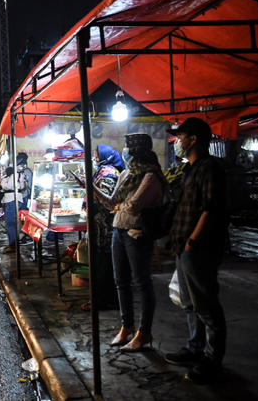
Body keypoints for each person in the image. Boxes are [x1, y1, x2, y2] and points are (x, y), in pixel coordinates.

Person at [163, 117, 228, 383]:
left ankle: (213, 359)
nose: (177, 142)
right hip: (183, 245)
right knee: (190, 303)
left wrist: (193, 241)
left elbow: (211, 208)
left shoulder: (210, 167)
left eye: (181, 138)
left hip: (198, 248)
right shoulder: (190, 168)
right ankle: (195, 348)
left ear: (194, 140)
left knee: (207, 305)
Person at [93, 133, 165, 353]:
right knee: (120, 281)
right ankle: (126, 327)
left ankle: (144, 332)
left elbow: (133, 206)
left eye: (128, 148)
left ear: (138, 151)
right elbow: (113, 202)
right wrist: (93, 189)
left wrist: (119, 207)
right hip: (119, 230)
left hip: (137, 233)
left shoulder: (151, 176)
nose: (124, 152)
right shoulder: (126, 173)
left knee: (142, 283)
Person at [80, 144, 125, 312]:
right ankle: (110, 298)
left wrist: (89, 188)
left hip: (104, 227)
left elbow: (106, 201)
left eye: (96, 155)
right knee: (104, 264)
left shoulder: (108, 174)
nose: (95, 157)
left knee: (102, 265)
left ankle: (101, 301)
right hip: (100, 225)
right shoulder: (103, 171)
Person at [0, 166, 25, 253]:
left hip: (12, 200)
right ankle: (12, 243)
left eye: (5, 170)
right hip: (14, 199)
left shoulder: (14, 175)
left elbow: (8, 186)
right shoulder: (18, 175)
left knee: (10, 223)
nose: (4, 171)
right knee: (12, 223)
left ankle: (13, 245)